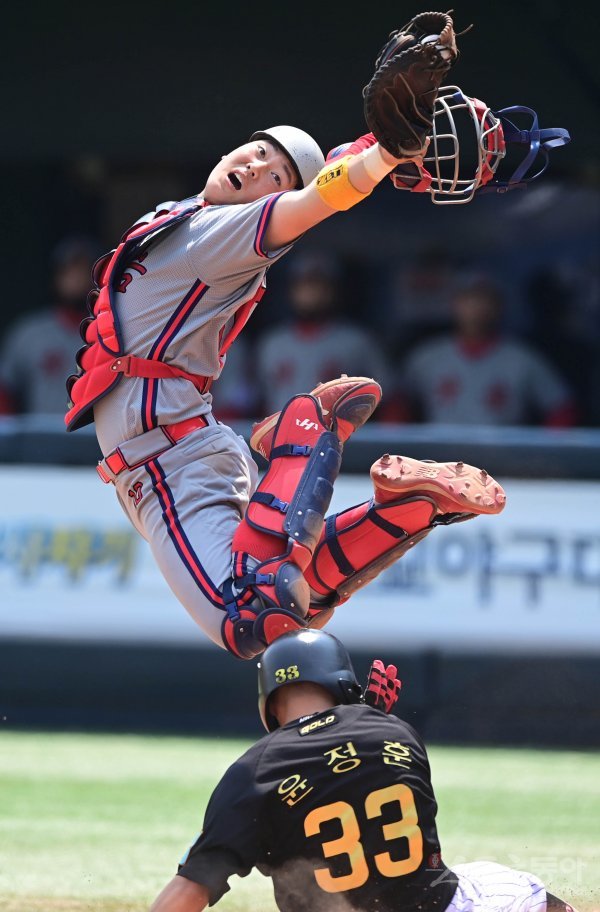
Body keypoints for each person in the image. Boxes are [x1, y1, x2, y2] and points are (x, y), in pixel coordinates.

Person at [65, 94, 507, 659]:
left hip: (170, 460)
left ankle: (303, 435)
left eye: (273, 175)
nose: (255, 167)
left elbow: (320, 199)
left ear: (274, 198)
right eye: (256, 151)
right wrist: (373, 146)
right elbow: (325, 180)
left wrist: (384, 155)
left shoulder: (225, 231)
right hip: (174, 451)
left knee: (251, 618)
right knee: (289, 605)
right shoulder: (192, 216)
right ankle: (409, 505)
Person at [149, 628, 579, 912]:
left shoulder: (251, 773)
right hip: (438, 906)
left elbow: (191, 889)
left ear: (270, 703)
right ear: (341, 681)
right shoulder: (396, 732)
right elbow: (350, 775)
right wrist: (369, 715)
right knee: (515, 887)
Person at [397, 274, 578, 427]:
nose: (476, 307)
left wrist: (544, 453)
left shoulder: (521, 358)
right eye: (469, 299)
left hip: (501, 456)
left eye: (485, 299)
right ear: (454, 304)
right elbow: (397, 403)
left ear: (499, 306)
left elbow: (562, 408)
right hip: (441, 455)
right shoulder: (427, 356)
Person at [254, 250, 390, 416]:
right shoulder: (272, 342)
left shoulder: (356, 341)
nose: (312, 292)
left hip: (336, 431)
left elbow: (390, 399)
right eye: (305, 283)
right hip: (278, 429)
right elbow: (250, 401)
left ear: (334, 289)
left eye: (319, 284)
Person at [0, 235, 99, 415]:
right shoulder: (30, 332)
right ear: (56, 277)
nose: (76, 278)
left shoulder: (109, 330)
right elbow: (5, 388)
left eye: (83, 270)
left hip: (95, 431)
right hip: (43, 431)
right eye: (69, 271)